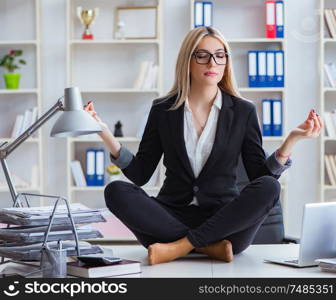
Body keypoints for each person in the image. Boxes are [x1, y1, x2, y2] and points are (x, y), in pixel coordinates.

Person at [84, 26, 323, 265]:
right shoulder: (163, 110)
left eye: (220, 55)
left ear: (226, 62)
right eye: (202, 55)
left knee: (269, 186)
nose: (212, 63)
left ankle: (180, 247)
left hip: (225, 222)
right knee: (116, 191)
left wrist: (290, 141)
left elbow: (258, 176)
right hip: (171, 216)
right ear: (188, 61)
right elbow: (140, 174)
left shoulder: (243, 111)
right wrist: (104, 133)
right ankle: (210, 248)